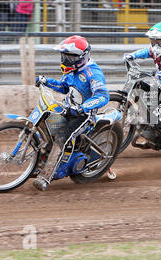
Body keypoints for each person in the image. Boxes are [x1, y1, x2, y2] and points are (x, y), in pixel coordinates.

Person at [33, 35, 110, 191]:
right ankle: (43, 158)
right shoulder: (71, 70)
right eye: (64, 56)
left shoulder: (93, 73)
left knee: (61, 138)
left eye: (69, 57)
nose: (65, 59)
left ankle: (46, 177)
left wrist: (82, 108)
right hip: (68, 108)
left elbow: (103, 96)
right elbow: (64, 87)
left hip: (84, 115)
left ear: (81, 57)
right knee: (46, 121)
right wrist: (46, 81)